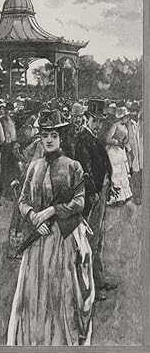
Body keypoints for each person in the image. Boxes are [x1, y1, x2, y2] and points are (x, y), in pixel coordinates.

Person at [7, 109, 94, 346]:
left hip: (62, 237)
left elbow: (79, 202)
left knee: (61, 291)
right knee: (34, 292)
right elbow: (23, 200)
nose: (48, 140)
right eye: (45, 135)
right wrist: (34, 217)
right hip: (37, 240)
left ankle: (60, 342)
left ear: (61, 137)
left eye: (53, 135)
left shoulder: (72, 166)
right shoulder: (34, 167)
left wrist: (52, 211)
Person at [75, 99, 116, 301]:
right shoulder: (83, 139)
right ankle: (90, 287)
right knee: (90, 241)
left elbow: (103, 165)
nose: (98, 124)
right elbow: (85, 171)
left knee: (98, 240)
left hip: (102, 191)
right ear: (87, 119)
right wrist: (94, 192)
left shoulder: (94, 138)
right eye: (95, 120)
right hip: (93, 196)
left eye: (100, 121)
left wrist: (110, 182)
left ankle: (99, 280)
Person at [103, 106, 133, 206]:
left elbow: (126, 138)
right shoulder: (115, 125)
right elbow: (107, 139)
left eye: (128, 116)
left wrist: (125, 143)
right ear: (121, 116)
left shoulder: (125, 126)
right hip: (113, 151)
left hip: (121, 151)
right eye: (126, 116)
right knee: (115, 173)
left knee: (122, 173)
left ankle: (123, 196)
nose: (127, 118)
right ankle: (116, 197)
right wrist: (118, 142)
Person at [0, 102, 18, 199]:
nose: (10, 112)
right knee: (5, 169)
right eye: (8, 110)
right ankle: (5, 191)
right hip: (5, 146)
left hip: (11, 146)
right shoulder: (1, 120)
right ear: (6, 110)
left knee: (11, 169)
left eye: (12, 110)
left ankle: (9, 191)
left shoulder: (13, 120)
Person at [127, 101, 142, 205]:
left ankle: (140, 195)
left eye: (135, 111)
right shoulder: (129, 123)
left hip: (141, 154)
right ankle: (136, 196)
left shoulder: (139, 124)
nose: (133, 113)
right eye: (131, 111)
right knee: (135, 176)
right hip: (132, 153)